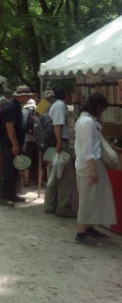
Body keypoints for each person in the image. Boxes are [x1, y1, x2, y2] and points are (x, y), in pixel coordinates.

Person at [74, 92, 117, 246]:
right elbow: (87, 149)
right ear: (98, 107)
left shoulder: (86, 120)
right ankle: (81, 233)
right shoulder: (87, 122)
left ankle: (88, 227)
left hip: (88, 164)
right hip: (89, 165)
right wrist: (93, 169)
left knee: (92, 197)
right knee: (87, 199)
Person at [0, 85, 33, 206]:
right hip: (9, 143)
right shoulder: (11, 107)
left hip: (13, 143)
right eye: (27, 96)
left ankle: (11, 194)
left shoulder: (15, 106)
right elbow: (9, 127)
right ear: (21, 96)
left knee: (14, 169)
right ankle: (3, 196)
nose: (28, 98)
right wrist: (15, 145)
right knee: (8, 170)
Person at [44, 86, 77, 218]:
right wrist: (59, 142)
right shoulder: (60, 105)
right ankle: (63, 207)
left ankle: (50, 205)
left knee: (54, 175)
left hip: (56, 143)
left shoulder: (54, 105)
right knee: (65, 177)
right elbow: (57, 125)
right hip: (61, 143)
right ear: (65, 94)